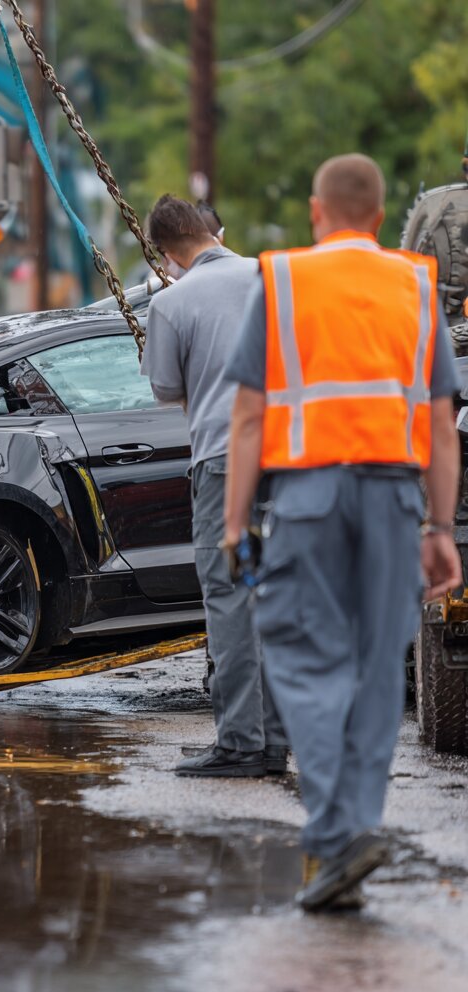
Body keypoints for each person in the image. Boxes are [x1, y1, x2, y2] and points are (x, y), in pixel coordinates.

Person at [223, 153, 463, 912]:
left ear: (316, 211)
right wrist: (440, 526)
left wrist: (233, 523)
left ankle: (338, 834)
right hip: (395, 499)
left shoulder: (284, 281)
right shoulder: (415, 286)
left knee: (302, 661)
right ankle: (351, 835)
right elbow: (443, 427)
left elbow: (249, 416)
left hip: (308, 497)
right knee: (374, 671)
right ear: (383, 214)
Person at [142, 194, 288, 778]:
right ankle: (274, 741)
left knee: (230, 599)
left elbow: (164, 389)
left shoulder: (173, 301)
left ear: (165, 253)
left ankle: (239, 744)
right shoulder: (272, 279)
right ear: (210, 232)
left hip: (226, 461)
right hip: (289, 456)